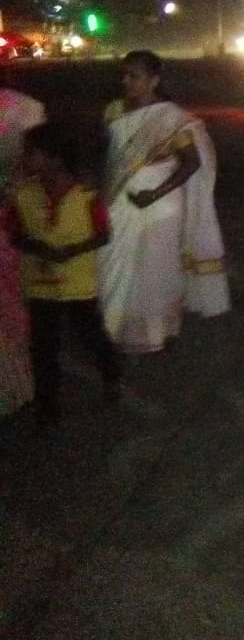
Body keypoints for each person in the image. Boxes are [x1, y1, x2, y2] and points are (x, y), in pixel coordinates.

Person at [99, 51, 230, 354]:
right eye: (124, 75)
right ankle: (113, 328)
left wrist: (154, 194)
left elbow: (191, 163)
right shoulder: (114, 111)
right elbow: (109, 156)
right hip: (121, 199)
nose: (127, 81)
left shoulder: (171, 117)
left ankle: (157, 332)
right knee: (113, 261)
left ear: (154, 80)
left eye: (135, 76)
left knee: (156, 269)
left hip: (160, 204)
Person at [7, 122, 122, 428]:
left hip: (77, 284)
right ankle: (47, 406)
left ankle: (111, 372)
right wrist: (37, 246)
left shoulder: (86, 196)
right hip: (40, 285)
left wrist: (71, 250)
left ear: (56, 158)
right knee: (43, 347)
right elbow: (14, 233)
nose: (25, 159)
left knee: (89, 335)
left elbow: (103, 235)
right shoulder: (24, 195)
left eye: (32, 153)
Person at [0, 85, 44, 417]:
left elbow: (40, 162)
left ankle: (15, 384)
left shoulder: (24, 108)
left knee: (10, 300)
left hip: (10, 215)